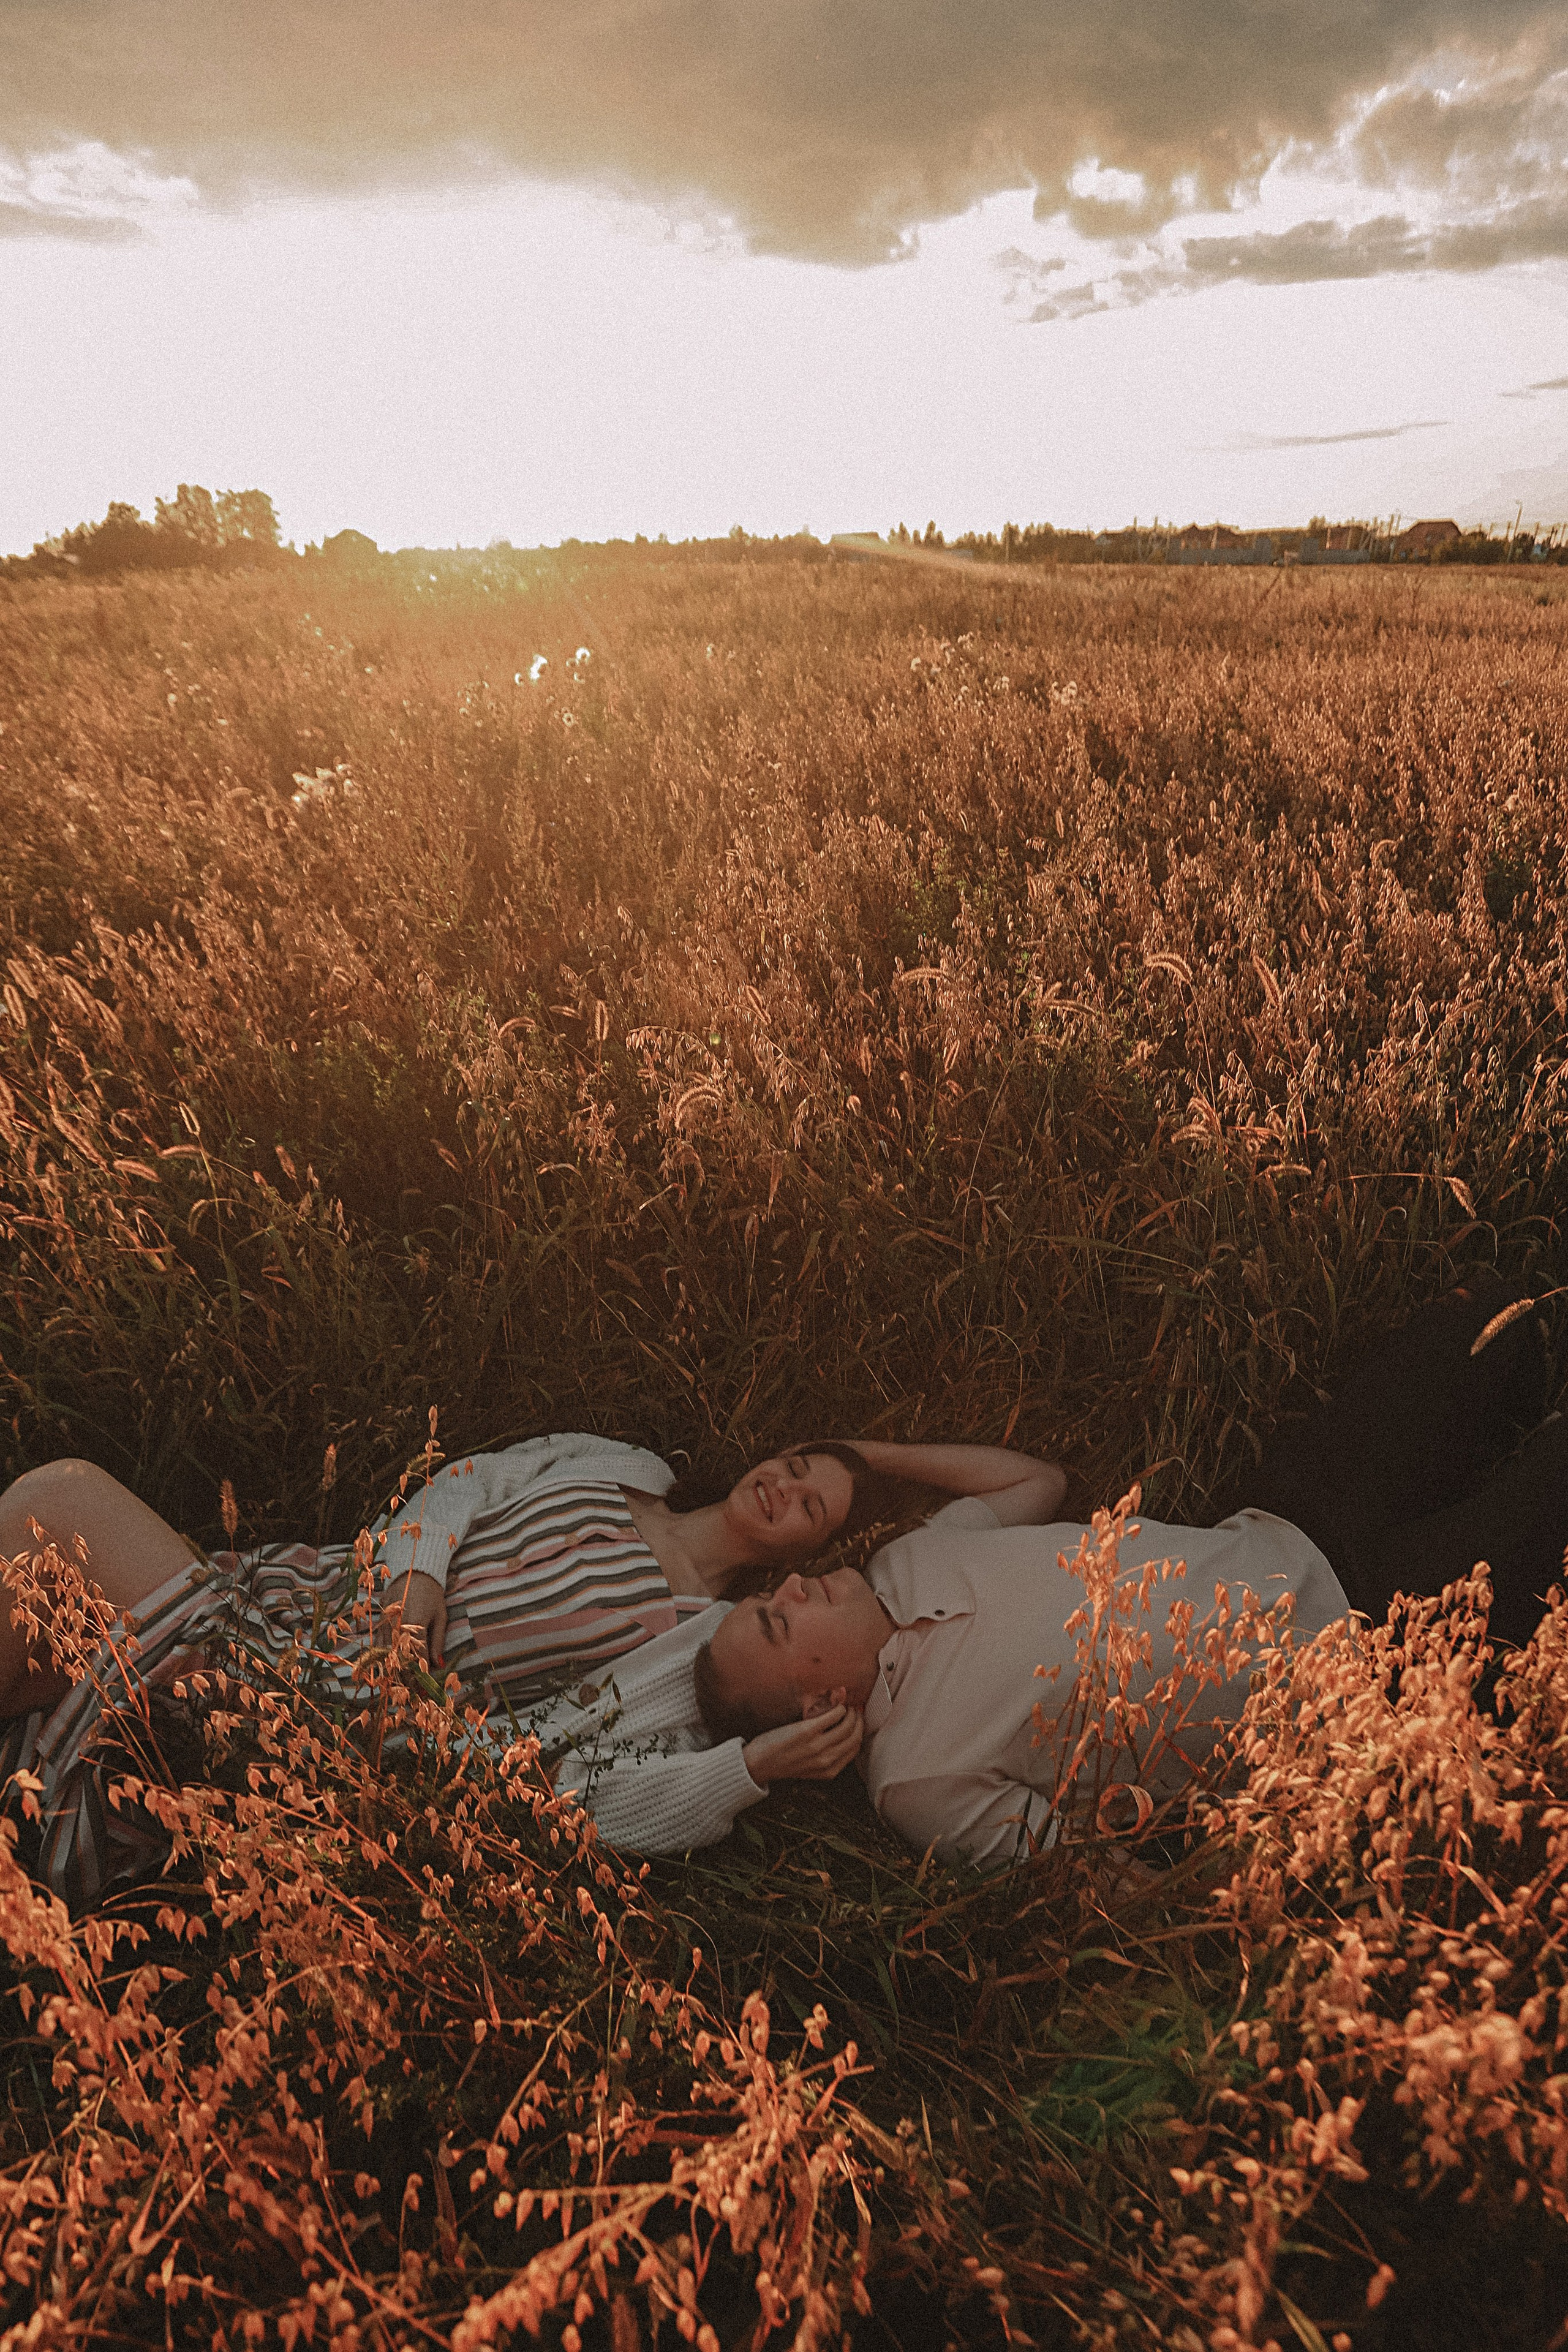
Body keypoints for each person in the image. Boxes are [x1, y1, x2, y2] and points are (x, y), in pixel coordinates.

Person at [543, 1280, 1567, 1872]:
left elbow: (1036, 1482)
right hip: (1365, 1657)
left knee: (1487, 1327)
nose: (792, 1588)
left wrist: (865, 1453)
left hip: (1288, 1514)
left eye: (768, 1594)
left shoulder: (906, 1559)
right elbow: (1106, 1876)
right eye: (776, 1622)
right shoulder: (918, 1781)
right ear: (817, 1701)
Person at [0, 1429, 895, 1912]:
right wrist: (416, 1587)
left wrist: (750, 1767)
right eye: (798, 1460)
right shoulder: (631, 1467)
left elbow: (594, 1789)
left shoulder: (702, 1644)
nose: (785, 1483)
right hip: (326, 1590)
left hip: (342, 1699)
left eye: (811, 1505)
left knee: (62, 1504)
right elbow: (467, 1480)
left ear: (812, 1547)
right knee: (42, 1630)